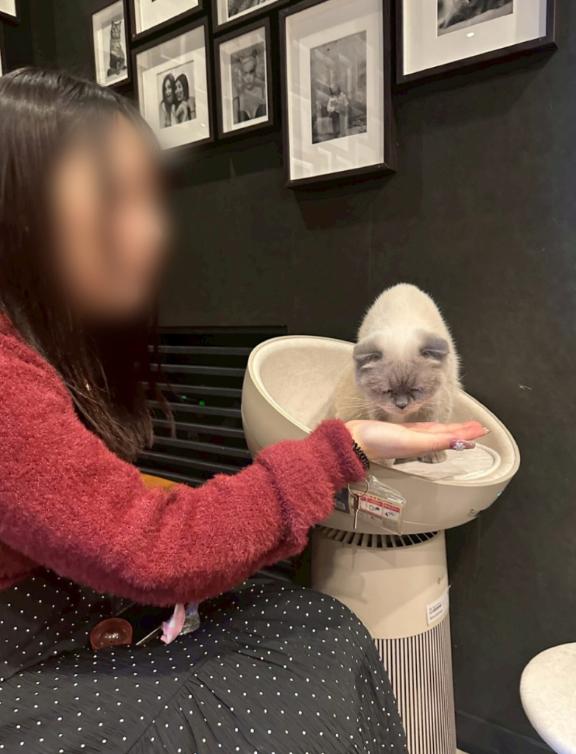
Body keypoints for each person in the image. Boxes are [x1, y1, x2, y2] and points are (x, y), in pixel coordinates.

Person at [0, 68, 486, 752]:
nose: (155, 229)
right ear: (19, 207)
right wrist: (340, 448)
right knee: (310, 674)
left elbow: (104, 515)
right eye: (115, 197)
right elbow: (153, 547)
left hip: (68, 601)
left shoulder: (37, 350)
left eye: (151, 197)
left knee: (321, 629)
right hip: (26, 648)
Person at [235, 52, 266, 123]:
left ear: (255, 73)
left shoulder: (263, 91)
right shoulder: (238, 98)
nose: (248, 78)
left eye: (251, 72)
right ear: (241, 75)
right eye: (245, 73)